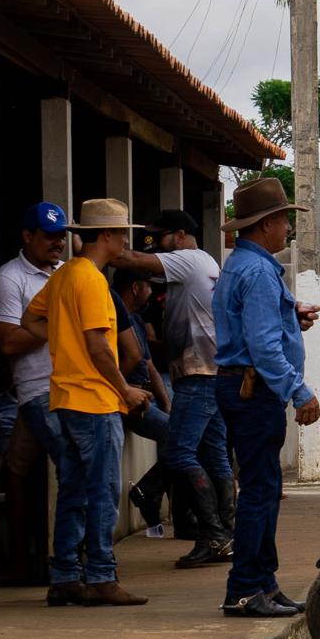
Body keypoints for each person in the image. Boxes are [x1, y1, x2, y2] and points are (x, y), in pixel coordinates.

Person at [22, 199, 153, 607]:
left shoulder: (64, 275)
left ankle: (64, 576)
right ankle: (100, 575)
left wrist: (63, 343)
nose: (127, 242)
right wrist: (125, 390)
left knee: (74, 489)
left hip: (65, 396)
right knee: (102, 491)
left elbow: (30, 320)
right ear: (108, 235)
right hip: (95, 399)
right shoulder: (93, 281)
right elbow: (98, 346)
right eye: (123, 234)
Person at [213, 177, 320, 618]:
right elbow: (263, 346)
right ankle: (244, 588)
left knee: (264, 488)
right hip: (253, 390)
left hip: (244, 386)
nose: (288, 230)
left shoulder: (243, 265)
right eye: (283, 221)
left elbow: (255, 326)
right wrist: (299, 391)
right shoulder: (258, 272)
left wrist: (291, 314)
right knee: (259, 492)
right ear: (266, 225)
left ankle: (263, 583)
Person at [114, 209, 235, 568]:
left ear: (181, 235)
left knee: (181, 453)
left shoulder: (188, 259)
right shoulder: (205, 263)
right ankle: (226, 535)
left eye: (161, 237)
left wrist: (98, 247)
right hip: (211, 371)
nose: (156, 245)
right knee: (214, 455)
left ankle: (214, 536)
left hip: (199, 373)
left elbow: (134, 261)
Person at [0, 203, 68, 461]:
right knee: (74, 464)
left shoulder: (67, 271)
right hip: (40, 390)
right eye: (50, 236)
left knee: (23, 468)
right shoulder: (11, 276)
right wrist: (61, 322)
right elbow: (9, 342)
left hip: (75, 387)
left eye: (62, 236)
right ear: (28, 236)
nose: (59, 243)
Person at [113, 268, 173, 537]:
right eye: (148, 286)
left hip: (143, 395)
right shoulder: (114, 315)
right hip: (125, 397)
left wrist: (165, 403)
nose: (151, 292)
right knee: (178, 437)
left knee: (181, 435)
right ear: (136, 287)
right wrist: (124, 390)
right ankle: (148, 491)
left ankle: (151, 492)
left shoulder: (135, 319)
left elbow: (148, 364)